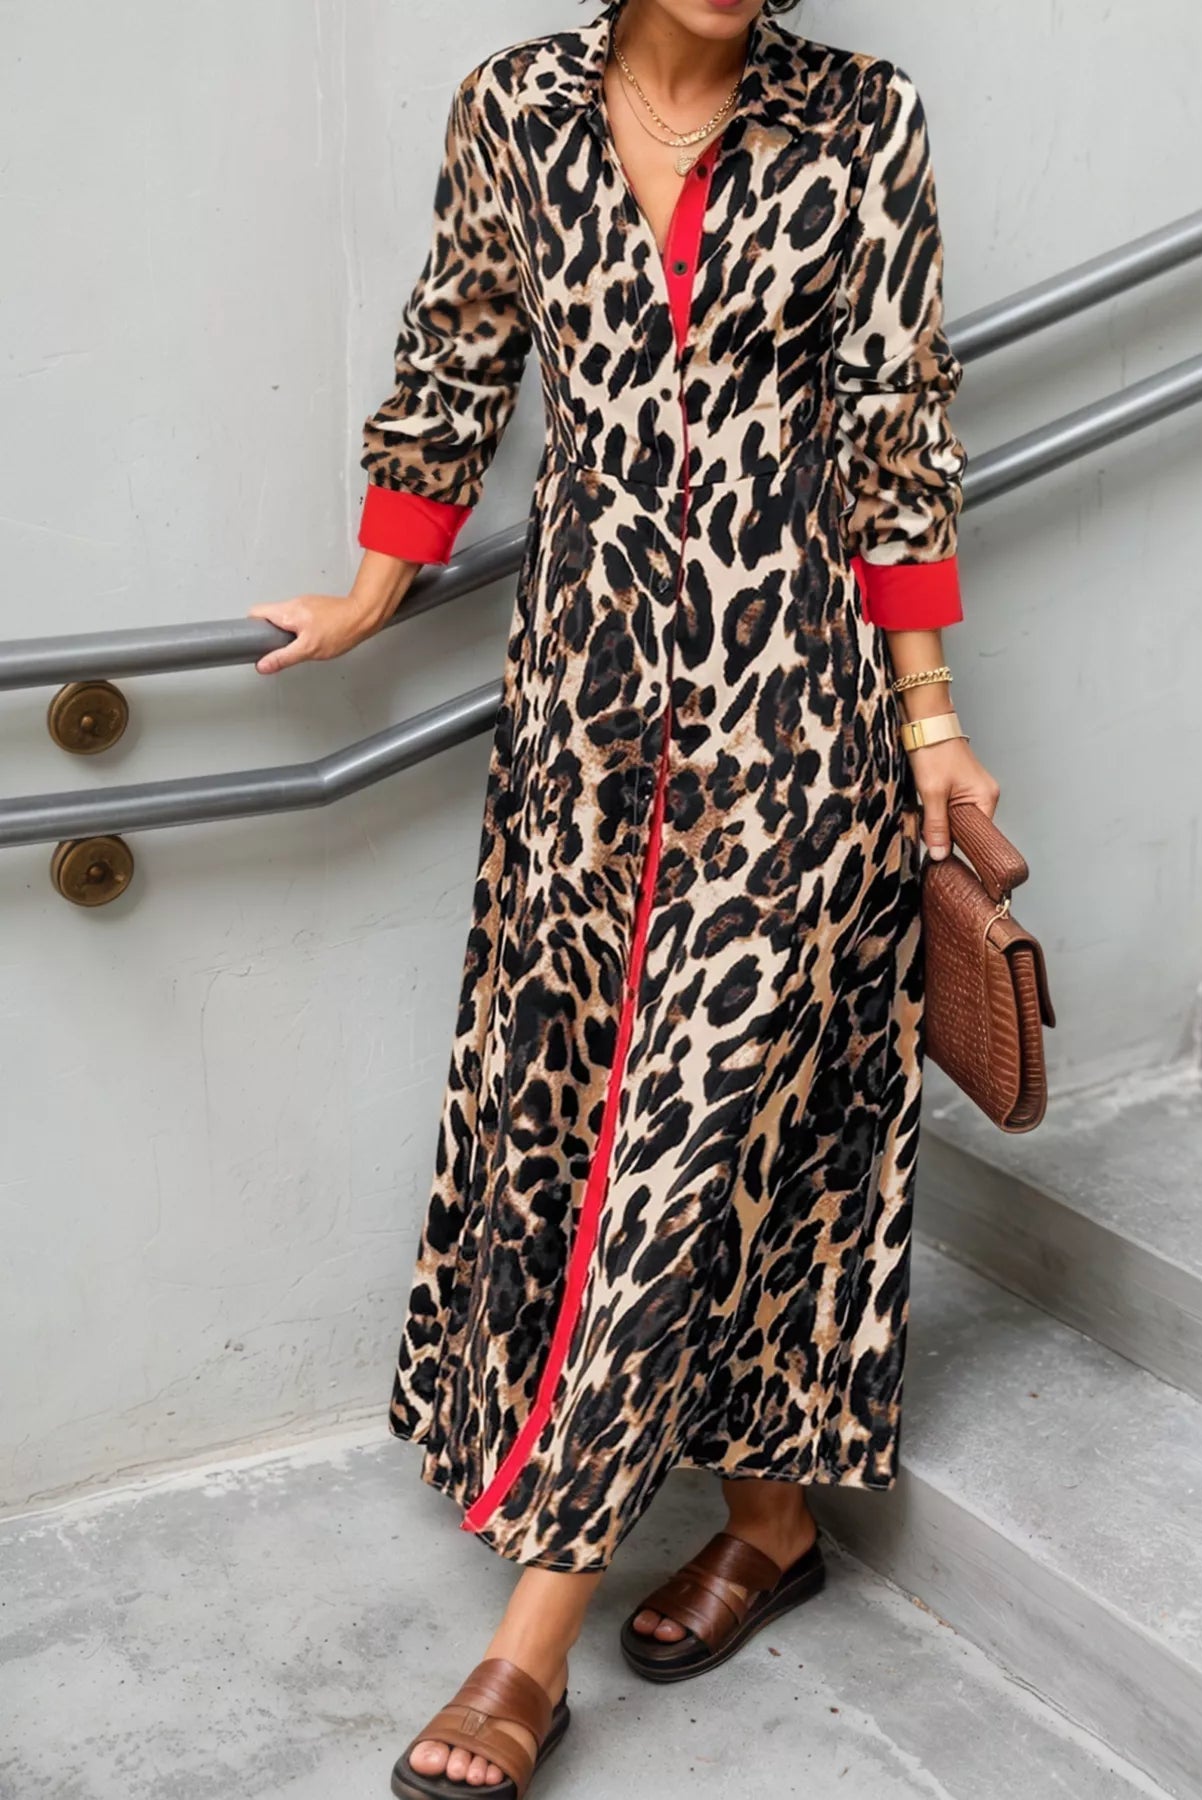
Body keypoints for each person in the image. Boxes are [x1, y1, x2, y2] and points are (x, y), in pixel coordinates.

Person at [247, 1, 999, 1793]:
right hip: (581, 719)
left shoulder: (862, 119)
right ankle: (772, 1522)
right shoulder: (513, 109)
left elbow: (896, 427)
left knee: (688, 1138)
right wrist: (370, 593)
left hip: (797, 715)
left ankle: (528, 1650)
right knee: (606, 1117)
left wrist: (931, 725)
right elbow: (454, 356)